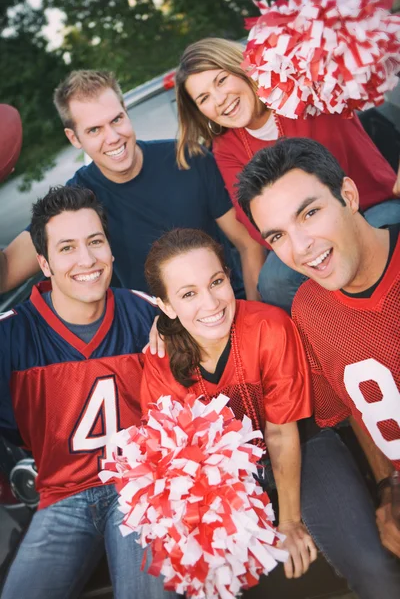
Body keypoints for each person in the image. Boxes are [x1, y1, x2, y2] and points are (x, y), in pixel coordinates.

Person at [236, 137, 400, 594]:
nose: (302, 247)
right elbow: (359, 407)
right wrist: (388, 489)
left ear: (348, 195)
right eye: (277, 236)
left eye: (309, 213)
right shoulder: (308, 308)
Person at [0, 186, 174, 599]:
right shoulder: (11, 336)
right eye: (67, 248)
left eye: (95, 242)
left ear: (111, 249)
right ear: (43, 263)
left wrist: (175, 330)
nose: (87, 260)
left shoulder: (148, 314)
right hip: (62, 496)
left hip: (137, 489)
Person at [140, 227, 317, 580]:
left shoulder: (270, 327)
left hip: (299, 446)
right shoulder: (160, 363)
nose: (211, 303)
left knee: (355, 551)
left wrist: (291, 521)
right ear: (165, 307)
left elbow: (282, 434)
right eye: (188, 294)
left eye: (216, 282)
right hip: (226, 481)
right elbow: (181, 469)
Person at [175, 37, 400, 312]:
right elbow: (254, 224)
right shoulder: (226, 147)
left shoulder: (304, 86)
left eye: (221, 81)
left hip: (372, 206)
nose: (219, 100)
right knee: (274, 281)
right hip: (301, 234)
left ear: (242, 67)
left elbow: (372, 70)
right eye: (204, 99)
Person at [0, 70, 264, 302]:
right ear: (74, 138)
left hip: (222, 306)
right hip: (153, 336)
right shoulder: (76, 200)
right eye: (94, 130)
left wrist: (257, 315)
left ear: (126, 112)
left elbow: (248, 244)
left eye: (116, 120)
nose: (113, 138)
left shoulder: (189, 159)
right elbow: (6, 272)